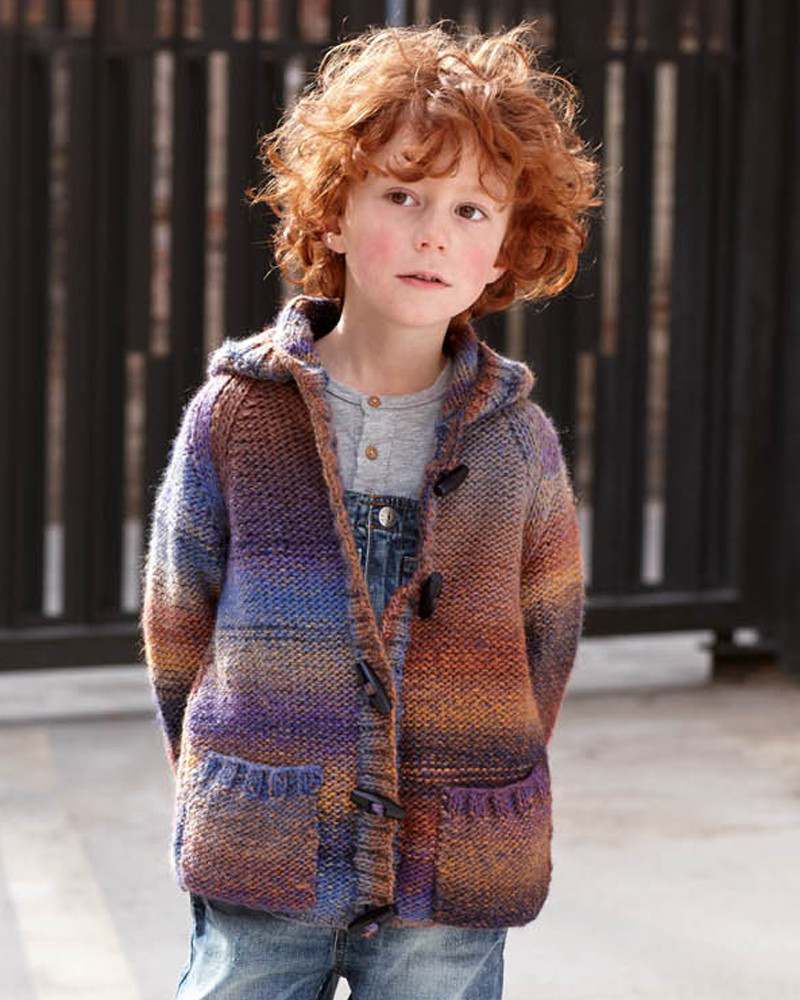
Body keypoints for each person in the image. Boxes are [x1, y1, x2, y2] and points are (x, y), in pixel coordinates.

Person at [140, 17, 602, 1000]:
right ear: (333, 215)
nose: (435, 232)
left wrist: (479, 755)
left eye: (471, 209)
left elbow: (544, 643)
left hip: (449, 864)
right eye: (402, 194)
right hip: (265, 845)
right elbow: (179, 622)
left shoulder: (518, 443)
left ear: (505, 250)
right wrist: (228, 769)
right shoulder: (238, 414)